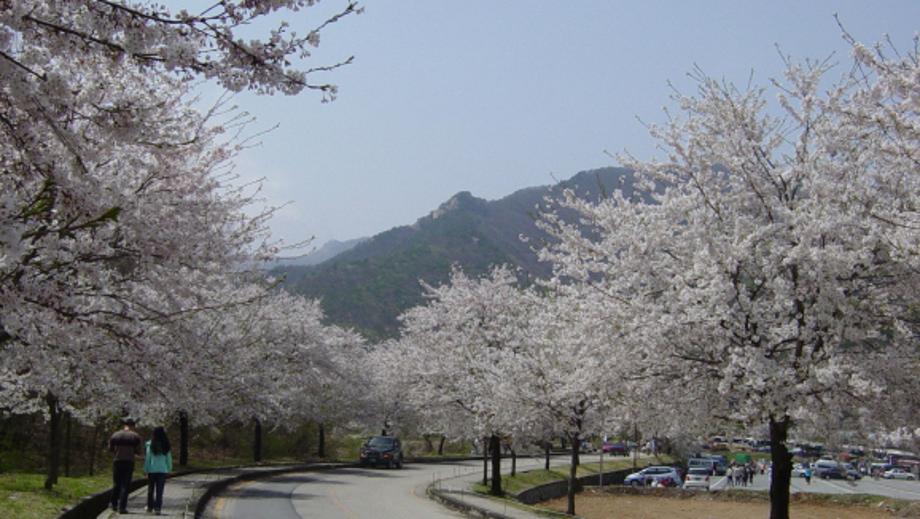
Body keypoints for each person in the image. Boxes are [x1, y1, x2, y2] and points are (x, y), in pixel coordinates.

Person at [109, 418, 142, 513]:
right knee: (125, 485)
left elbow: (110, 449)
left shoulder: (115, 435)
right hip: (129, 462)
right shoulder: (135, 436)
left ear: (124, 425)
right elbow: (138, 451)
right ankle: (122, 507)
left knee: (116, 483)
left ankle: (113, 504)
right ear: (133, 426)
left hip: (117, 461)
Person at [144, 426, 173, 515]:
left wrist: (146, 469)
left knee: (150, 490)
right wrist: (169, 469)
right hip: (162, 470)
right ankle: (158, 508)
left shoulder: (150, 444)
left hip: (152, 470)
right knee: (160, 491)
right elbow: (168, 459)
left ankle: (149, 507)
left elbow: (148, 458)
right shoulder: (166, 445)